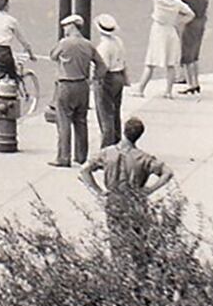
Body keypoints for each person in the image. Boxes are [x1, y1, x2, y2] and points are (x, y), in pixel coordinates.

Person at [79, 115, 174, 208]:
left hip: (113, 199)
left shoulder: (107, 153)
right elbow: (168, 172)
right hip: (134, 200)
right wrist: (150, 190)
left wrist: (99, 191)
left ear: (124, 132)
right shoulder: (144, 158)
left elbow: (84, 170)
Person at [49, 13, 100, 167]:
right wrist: (94, 79)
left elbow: (53, 56)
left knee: (64, 122)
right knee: (81, 121)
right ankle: (81, 156)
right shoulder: (88, 44)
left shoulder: (64, 43)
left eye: (65, 27)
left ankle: (63, 157)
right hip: (82, 85)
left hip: (66, 84)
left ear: (71, 26)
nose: (64, 29)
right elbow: (101, 64)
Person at [137, 0, 194, 96]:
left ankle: (140, 89)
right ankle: (168, 91)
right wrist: (178, 21)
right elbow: (190, 14)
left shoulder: (158, 0)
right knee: (171, 64)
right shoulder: (177, 3)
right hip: (170, 30)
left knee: (150, 62)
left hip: (158, 29)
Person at [93, 11, 129, 148]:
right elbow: (124, 61)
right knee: (116, 111)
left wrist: (95, 79)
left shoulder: (103, 46)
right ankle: (117, 141)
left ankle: (106, 146)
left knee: (105, 112)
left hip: (108, 78)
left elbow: (104, 67)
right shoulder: (118, 41)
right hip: (118, 74)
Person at [0, 0, 34, 85]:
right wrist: (30, 53)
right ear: (6, 6)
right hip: (4, 52)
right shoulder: (11, 20)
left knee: (2, 70)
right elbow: (22, 39)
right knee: (13, 75)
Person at [176, 0, 209, 94]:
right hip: (200, 24)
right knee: (194, 55)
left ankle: (190, 84)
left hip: (189, 26)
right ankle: (195, 81)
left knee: (186, 56)